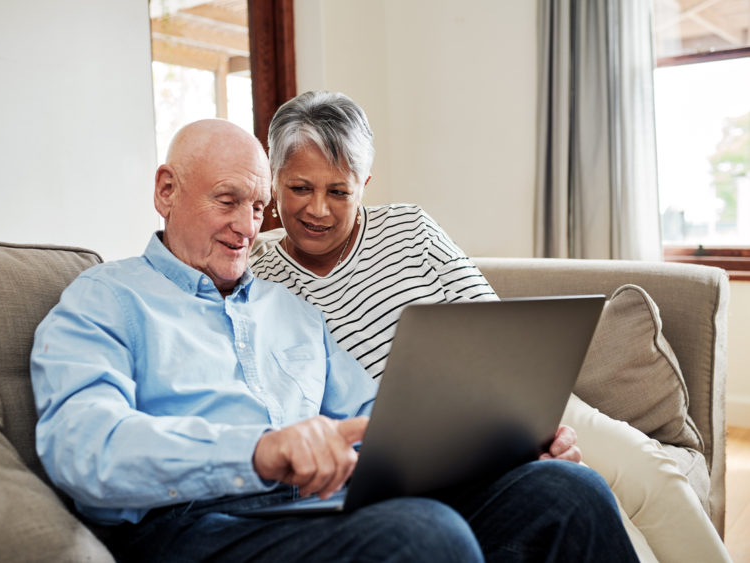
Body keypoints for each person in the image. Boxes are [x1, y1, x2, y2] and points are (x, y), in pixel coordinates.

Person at [31, 118, 638, 562]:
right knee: (421, 534)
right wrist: (259, 450)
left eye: (259, 207)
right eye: (227, 201)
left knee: (568, 490)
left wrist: (499, 447)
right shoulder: (103, 298)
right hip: (190, 526)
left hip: (315, 512)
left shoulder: (290, 312)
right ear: (167, 190)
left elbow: (377, 420)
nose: (248, 228)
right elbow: (83, 445)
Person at [250, 90, 731, 562]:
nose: (318, 209)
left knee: (651, 472)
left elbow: (495, 324)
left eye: (339, 191)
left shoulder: (410, 229)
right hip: (405, 449)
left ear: (365, 184)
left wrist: (525, 428)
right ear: (273, 180)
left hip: (500, 401)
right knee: (593, 508)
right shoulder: (255, 272)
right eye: (300, 188)